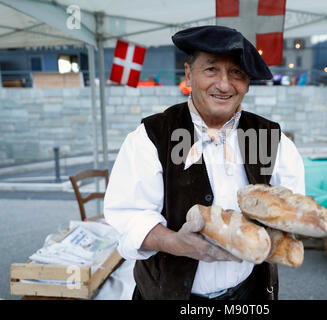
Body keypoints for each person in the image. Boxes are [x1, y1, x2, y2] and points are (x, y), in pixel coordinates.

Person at [104, 25, 305, 300]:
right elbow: (129, 215)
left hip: (249, 295)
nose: (224, 84)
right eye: (211, 70)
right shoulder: (153, 136)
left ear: (247, 83)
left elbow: (292, 206)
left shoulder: (270, 138)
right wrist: (176, 243)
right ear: (189, 73)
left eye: (236, 73)